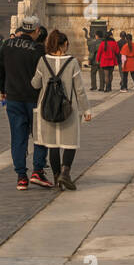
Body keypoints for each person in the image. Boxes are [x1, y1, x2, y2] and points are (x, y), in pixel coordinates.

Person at [31, 30, 92, 190]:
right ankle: (66, 173)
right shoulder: (72, 62)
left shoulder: (43, 61)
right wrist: (86, 110)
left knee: (53, 145)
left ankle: (57, 176)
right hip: (68, 109)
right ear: (64, 44)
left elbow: (35, 84)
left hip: (47, 108)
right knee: (70, 143)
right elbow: (79, 89)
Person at [0, 16, 53, 188]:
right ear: (36, 31)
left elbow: (0, 70)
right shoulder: (38, 49)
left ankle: (21, 176)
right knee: (40, 135)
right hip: (34, 99)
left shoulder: (7, 45)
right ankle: (37, 170)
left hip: (13, 98)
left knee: (18, 137)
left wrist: (2, 91)